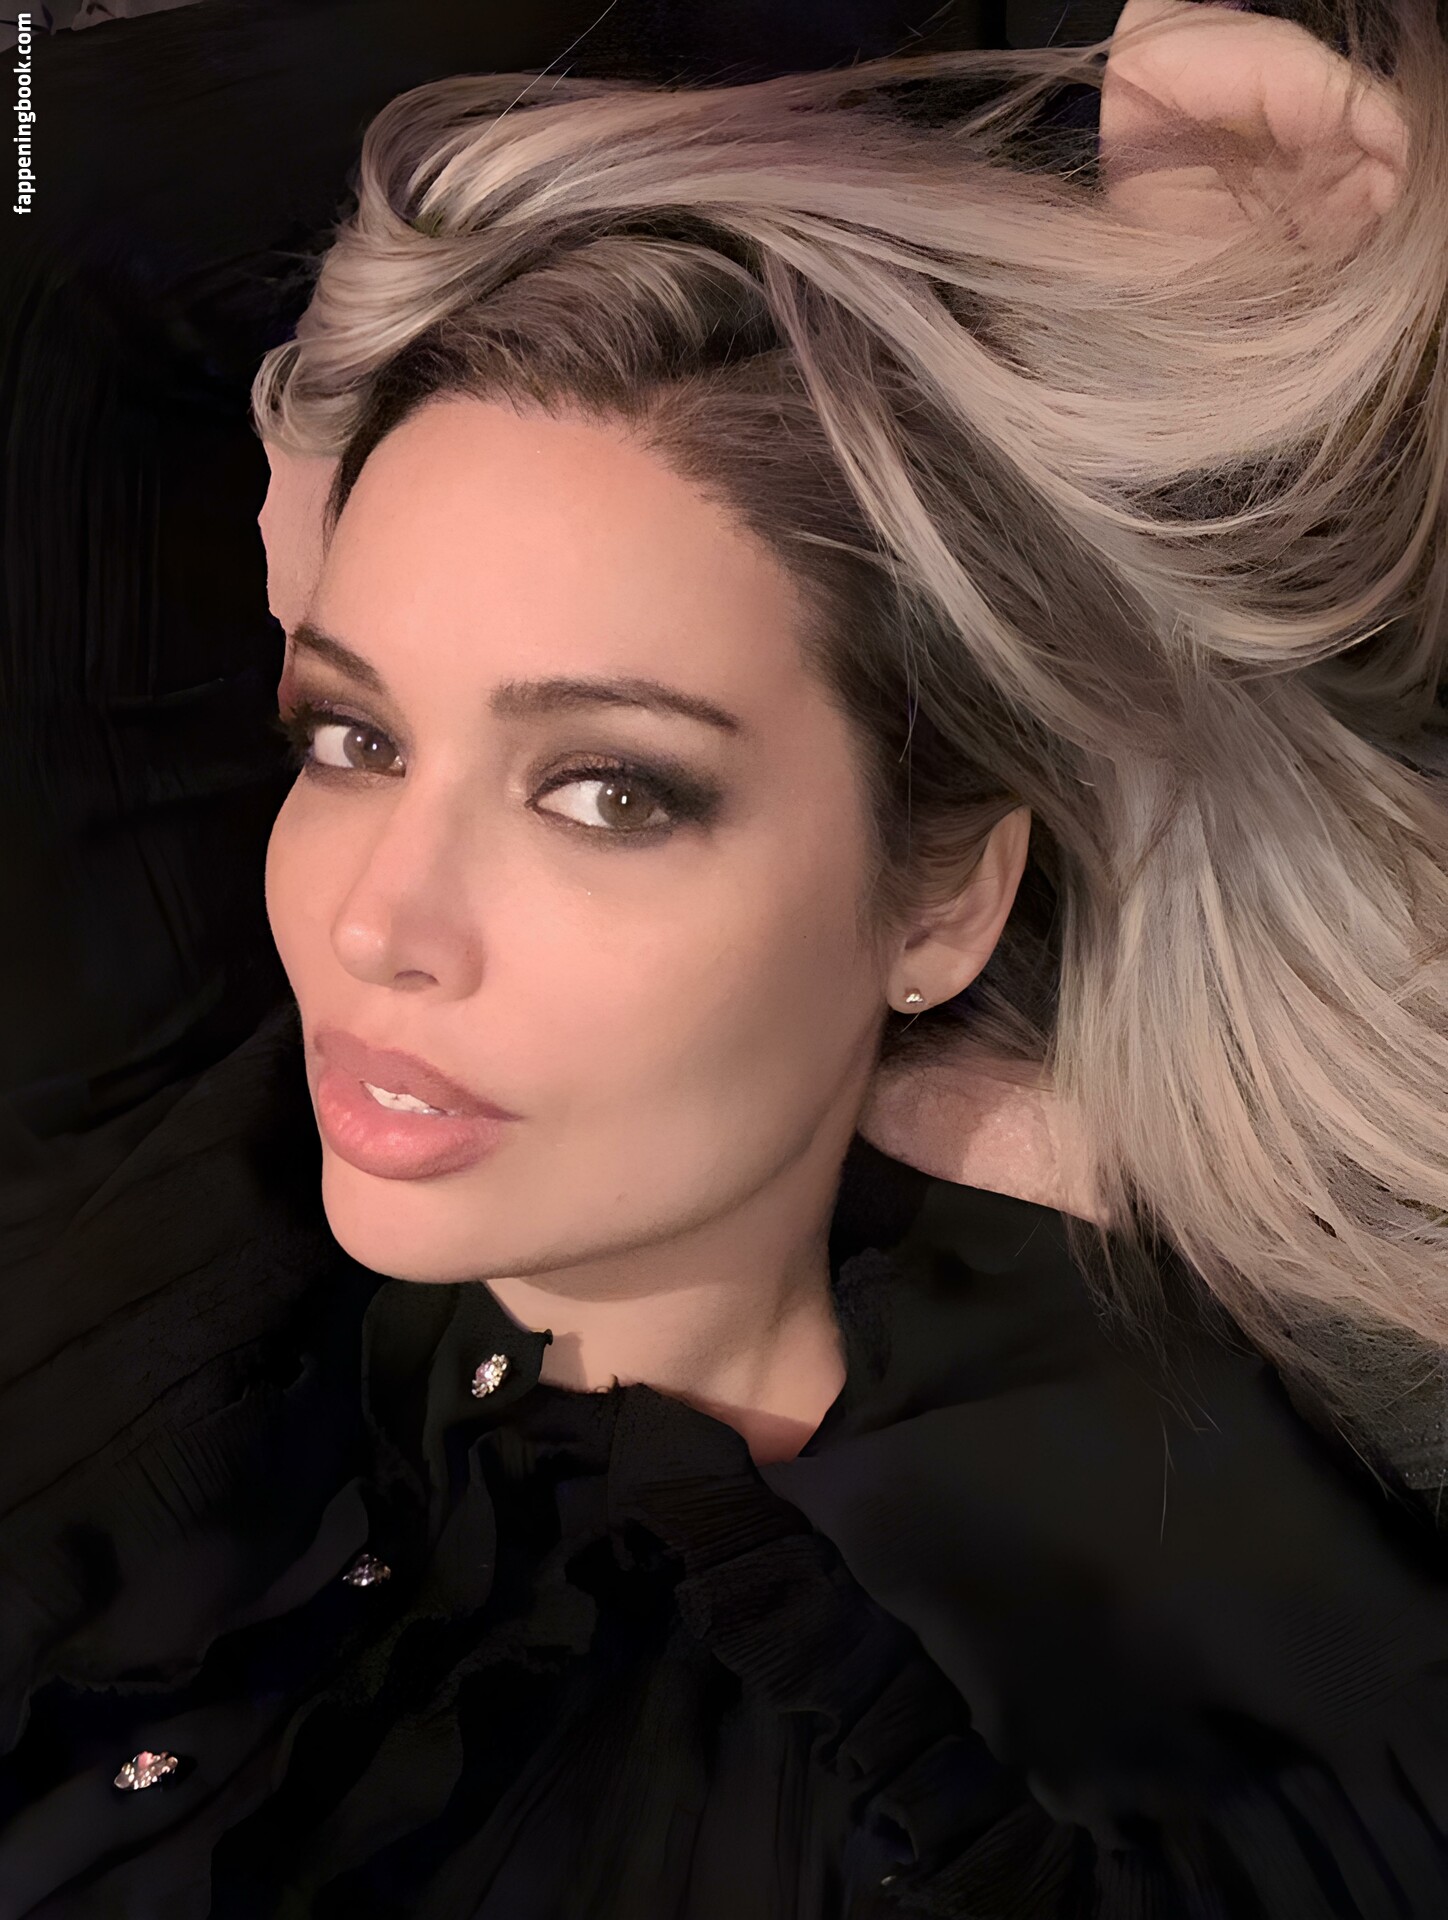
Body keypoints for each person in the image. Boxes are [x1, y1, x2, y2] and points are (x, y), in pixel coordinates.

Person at [4, 2, 1448, 1915]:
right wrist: (1042, 69)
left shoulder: (1130, 1681)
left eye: (609, 791)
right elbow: (55, 178)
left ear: (943, 898)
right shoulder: (184, 1142)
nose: (373, 927)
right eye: (352, 735)